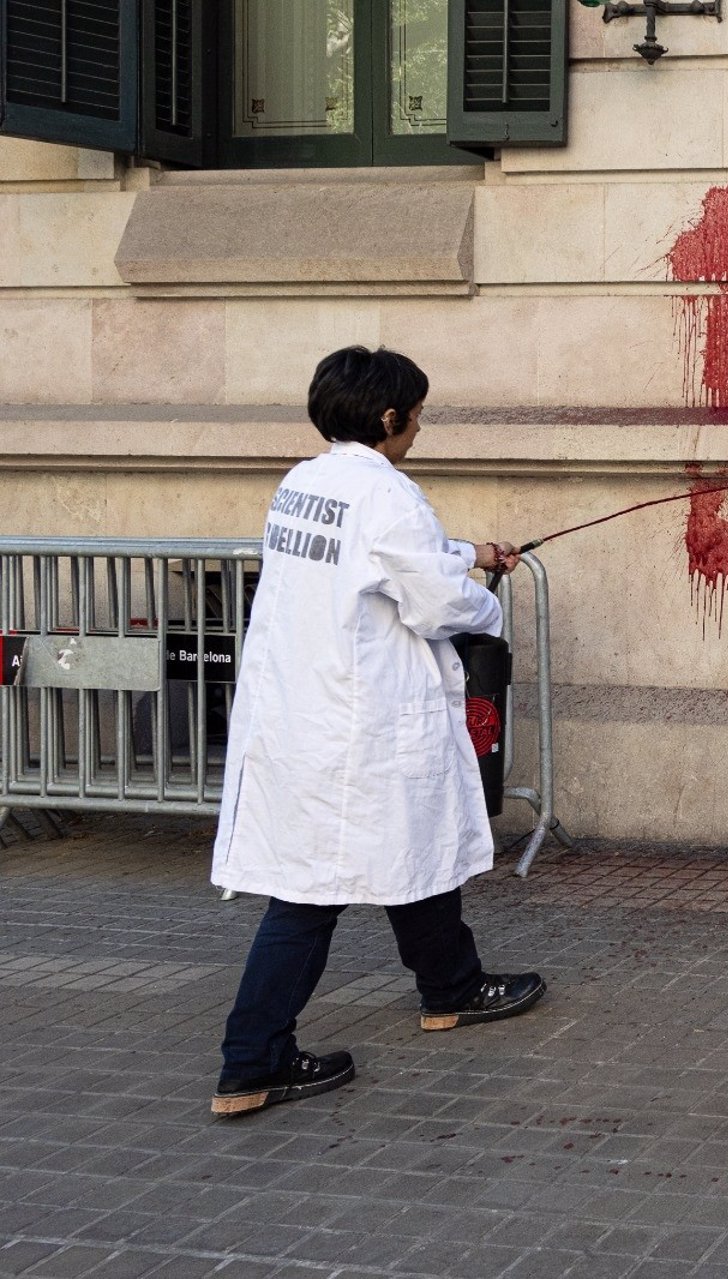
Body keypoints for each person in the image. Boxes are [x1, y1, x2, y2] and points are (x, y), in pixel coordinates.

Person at [208, 345, 546, 1117]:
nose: (420, 429)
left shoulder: (306, 482)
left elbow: (387, 558)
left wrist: (472, 551)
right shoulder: (389, 495)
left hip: (306, 714)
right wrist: (488, 604)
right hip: (356, 725)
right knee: (308, 894)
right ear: (390, 418)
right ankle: (251, 1060)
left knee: (412, 849)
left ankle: (452, 987)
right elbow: (432, 601)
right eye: (418, 415)